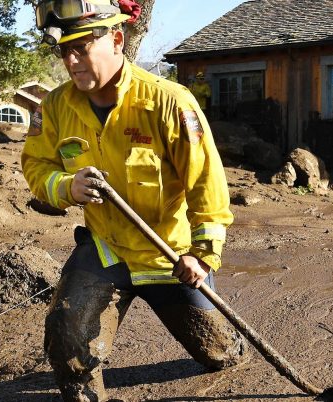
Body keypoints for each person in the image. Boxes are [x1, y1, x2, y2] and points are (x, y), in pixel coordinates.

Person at [21, 1, 246, 400]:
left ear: (117, 40)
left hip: (171, 256)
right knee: (66, 338)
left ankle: (225, 343)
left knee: (220, 353)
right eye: (64, 51)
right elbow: (37, 166)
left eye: (81, 48)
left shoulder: (168, 101)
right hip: (107, 249)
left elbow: (206, 186)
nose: (71, 61)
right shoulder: (54, 108)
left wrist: (203, 254)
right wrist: (65, 186)